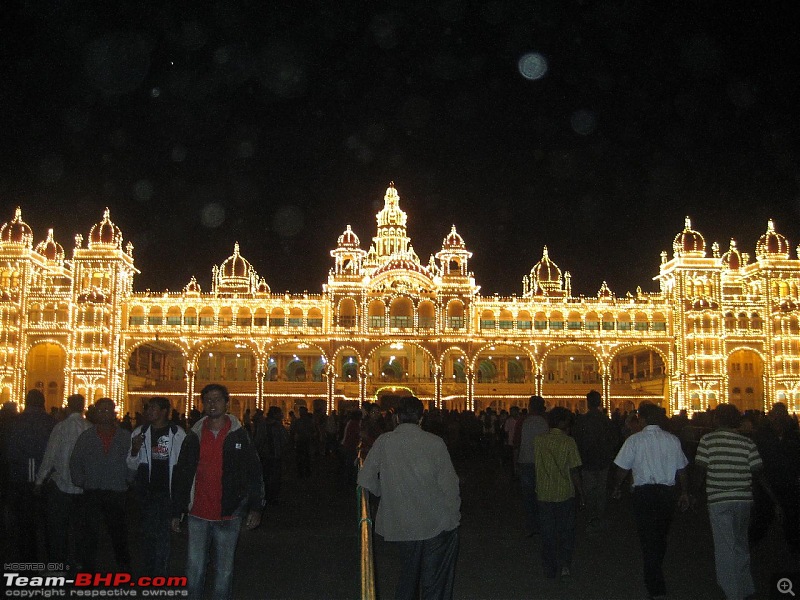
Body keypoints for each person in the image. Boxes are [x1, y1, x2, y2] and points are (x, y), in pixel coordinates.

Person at [358, 396, 461, 600]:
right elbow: (449, 485)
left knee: (408, 578)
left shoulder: (384, 442)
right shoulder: (434, 442)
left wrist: (386, 493)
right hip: (435, 522)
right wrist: (454, 515)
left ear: (396, 417)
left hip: (401, 523)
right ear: (421, 419)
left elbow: (365, 479)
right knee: (435, 583)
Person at [170, 384, 264, 600]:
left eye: (217, 399)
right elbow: (182, 474)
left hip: (228, 513)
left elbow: (254, 472)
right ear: (203, 404)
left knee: (224, 571)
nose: (212, 404)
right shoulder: (194, 435)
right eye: (208, 400)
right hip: (198, 513)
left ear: (226, 403)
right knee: (194, 570)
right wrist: (177, 510)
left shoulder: (239, 435)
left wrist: (255, 507)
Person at [695, 404, 778, 600]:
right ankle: (745, 584)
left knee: (725, 545)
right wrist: (773, 498)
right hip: (743, 499)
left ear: (716, 420)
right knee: (740, 542)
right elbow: (758, 472)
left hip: (719, 498)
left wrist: (692, 493)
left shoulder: (708, 440)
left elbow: (701, 469)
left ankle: (732, 591)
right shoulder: (747, 443)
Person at [612, 402, 690, 600]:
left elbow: (622, 468)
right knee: (661, 534)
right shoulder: (672, 440)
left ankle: (655, 583)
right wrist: (685, 492)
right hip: (666, 493)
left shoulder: (635, 440)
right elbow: (682, 469)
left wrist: (617, 486)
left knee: (647, 537)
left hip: (644, 493)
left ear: (643, 419)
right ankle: (655, 575)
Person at [69, 397, 132, 571]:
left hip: (116, 490)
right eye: (101, 410)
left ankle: (123, 568)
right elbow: (75, 460)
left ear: (114, 414)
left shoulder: (124, 437)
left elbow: (132, 460)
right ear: (95, 413)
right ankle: (89, 570)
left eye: (108, 410)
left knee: (118, 533)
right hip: (93, 490)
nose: (104, 414)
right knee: (90, 534)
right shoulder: (87, 436)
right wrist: (81, 480)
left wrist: (128, 478)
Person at [128, 396, 186, 577]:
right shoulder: (140, 432)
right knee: (146, 533)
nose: (149, 412)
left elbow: (183, 464)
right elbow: (130, 464)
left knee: (163, 535)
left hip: (167, 492)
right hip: (146, 491)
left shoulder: (177, 433)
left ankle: (160, 572)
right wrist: (135, 450)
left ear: (163, 412)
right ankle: (149, 570)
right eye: (148, 408)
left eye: (153, 408)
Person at [35, 393, 91, 569]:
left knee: (58, 528)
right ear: (83, 407)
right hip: (82, 487)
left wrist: (39, 480)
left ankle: (58, 561)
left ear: (68, 406)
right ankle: (79, 561)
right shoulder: (89, 428)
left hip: (60, 484)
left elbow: (50, 455)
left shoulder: (60, 427)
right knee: (80, 528)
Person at [4, 389, 55, 562]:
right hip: (46, 478)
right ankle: (51, 557)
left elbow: (11, 451)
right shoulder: (51, 422)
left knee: (24, 521)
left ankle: (27, 558)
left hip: (21, 477)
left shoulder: (16, 422)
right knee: (47, 520)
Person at [533, 406, 583, 579]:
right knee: (565, 531)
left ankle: (550, 566)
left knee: (548, 532)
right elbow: (574, 469)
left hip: (544, 492)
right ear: (563, 422)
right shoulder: (569, 442)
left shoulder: (539, 440)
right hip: (564, 492)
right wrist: (580, 492)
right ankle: (565, 564)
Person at [574, 390, 616, 533]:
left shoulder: (582, 421)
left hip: (587, 461)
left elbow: (577, 440)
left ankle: (591, 517)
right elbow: (614, 440)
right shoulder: (606, 421)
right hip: (603, 461)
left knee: (589, 490)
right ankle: (599, 516)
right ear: (600, 402)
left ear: (588, 402)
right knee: (601, 490)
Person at [517, 395, 548, 536]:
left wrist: (515, 463)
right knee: (543, 495)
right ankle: (543, 524)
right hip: (543, 462)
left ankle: (531, 526)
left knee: (528, 497)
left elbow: (516, 444)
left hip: (526, 461)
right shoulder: (546, 421)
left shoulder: (523, 421)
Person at [254, 406, 289, 505]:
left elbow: (258, 440)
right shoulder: (278, 426)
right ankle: (273, 497)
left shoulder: (263, 425)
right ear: (275, 414)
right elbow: (285, 439)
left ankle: (265, 496)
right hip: (275, 455)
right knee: (275, 477)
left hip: (265, 455)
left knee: (266, 476)